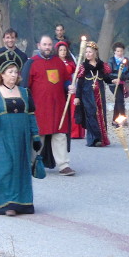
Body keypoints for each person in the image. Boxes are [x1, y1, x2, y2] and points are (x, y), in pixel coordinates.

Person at [0, 58, 41, 216]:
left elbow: (31, 115)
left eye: (15, 72)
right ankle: (2, 203)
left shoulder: (25, 92)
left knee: (20, 167)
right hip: (1, 137)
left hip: (21, 137)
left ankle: (20, 202)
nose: (13, 75)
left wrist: (35, 135)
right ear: (2, 75)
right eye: (10, 72)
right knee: (5, 167)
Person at [22, 35, 76, 175]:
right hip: (39, 107)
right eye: (44, 44)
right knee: (38, 135)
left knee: (59, 134)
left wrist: (69, 86)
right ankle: (32, 163)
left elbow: (65, 80)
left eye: (49, 44)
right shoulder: (32, 63)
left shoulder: (58, 62)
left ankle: (63, 165)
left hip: (58, 105)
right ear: (39, 45)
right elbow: (24, 87)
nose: (47, 47)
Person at [74, 41, 112, 147]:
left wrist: (113, 81)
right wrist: (77, 97)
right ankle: (94, 139)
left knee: (100, 114)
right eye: (86, 52)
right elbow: (80, 83)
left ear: (95, 53)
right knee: (90, 115)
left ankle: (101, 137)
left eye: (90, 52)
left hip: (99, 94)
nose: (88, 54)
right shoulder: (83, 67)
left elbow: (106, 78)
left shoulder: (101, 66)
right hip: (87, 94)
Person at [55, 41, 85, 139]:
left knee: (73, 108)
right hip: (58, 88)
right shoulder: (54, 62)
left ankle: (74, 132)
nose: (63, 52)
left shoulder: (71, 63)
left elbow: (76, 75)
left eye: (64, 50)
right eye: (61, 50)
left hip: (70, 88)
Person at [107, 42, 129, 126]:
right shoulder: (111, 60)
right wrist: (116, 77)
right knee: (120, 99)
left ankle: (115, 120)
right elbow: (109, 73)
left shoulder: (126, 60)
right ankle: (123, 117)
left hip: (123, 83)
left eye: (121, 51)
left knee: (118, 100)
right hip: (113, 84)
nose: (119, 53)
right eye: (117, 51)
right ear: (114, 51)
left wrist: (122, 77)